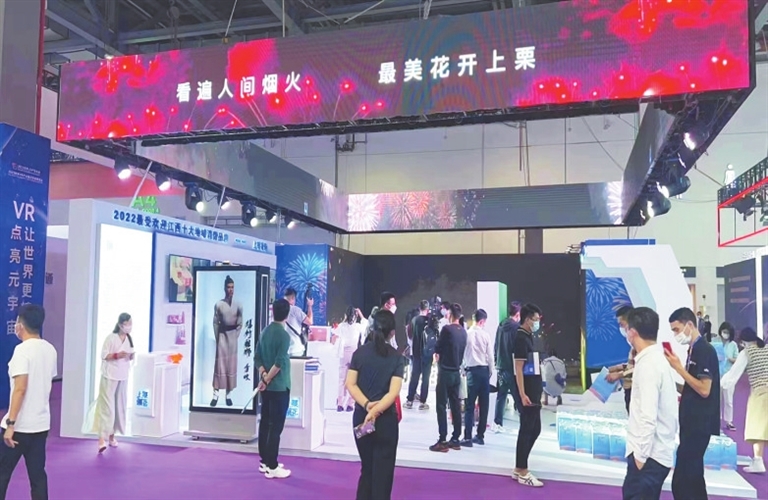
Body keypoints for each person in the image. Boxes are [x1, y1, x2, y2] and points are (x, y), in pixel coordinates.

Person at [345, 309, 405, 500]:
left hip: (361, 418)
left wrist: (367, 406)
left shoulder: (359, 354)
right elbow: (393, 392)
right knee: (383, 473)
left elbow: (350, 384)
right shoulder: (396, 357)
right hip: (385, 420)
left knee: (367, 468)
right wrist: (376, 410)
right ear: (392, 333)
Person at [0, 304, 57, 500]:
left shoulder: (22, 350)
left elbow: (20, 388)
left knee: (2, 473)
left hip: (19, 427)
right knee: (38, 476)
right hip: (40, 425)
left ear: (20, 325)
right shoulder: (50, 349)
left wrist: (11, 424)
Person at [621, 307, 678, 500]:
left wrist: (640, 457)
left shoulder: (648, 365)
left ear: (632, 332)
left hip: (649, 456)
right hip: (655, 454)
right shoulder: (655, 359)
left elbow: (648, 416)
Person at [667, 307, 720, 500]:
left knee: (685, 478)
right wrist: (669, 382)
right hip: (690, 423)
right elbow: (691, 387)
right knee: (691, 476)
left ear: (689, 324)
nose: (676, 335)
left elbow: (704, 389)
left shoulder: (704, 350)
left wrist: (679, 369)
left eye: (676, 329)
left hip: (699, 423)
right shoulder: (693, 350)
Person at [721, 327, 768, 474]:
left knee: (757, 428)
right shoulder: (766, 349)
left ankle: (758, 461)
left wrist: (720, 384)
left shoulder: (747, 352)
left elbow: (733, 375)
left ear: (743, 341)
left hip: (760, 393)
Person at [255, 298, 293, 479]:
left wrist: (263, 376)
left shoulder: (265, 331)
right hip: (279, 387)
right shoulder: (284, 336)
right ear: (287, 314)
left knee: (265, 423)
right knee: (276, 427)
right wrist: (268, 378)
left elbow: (257, 358)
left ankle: (264, 461)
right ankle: (272, 465)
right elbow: (279, 363)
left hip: (267, 387)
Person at [513, 303, 544, 487]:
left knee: (535, 428)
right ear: (527, 319)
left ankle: (519, 466)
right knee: (527, 429)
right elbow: (518, 368)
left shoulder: (528, 336)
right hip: (528, 392)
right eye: (535, 319)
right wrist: (522, 394)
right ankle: (522, 470)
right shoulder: (520, 338)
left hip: (534, 388)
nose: (537, 322)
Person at [94, 313, 135, 453]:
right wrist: (118, 355)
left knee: (118, 406)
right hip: (110, 375)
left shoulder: (129, 339)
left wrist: (130, 356)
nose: (129, 326)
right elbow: (104, 355)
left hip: (122, 376)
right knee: (107, 406)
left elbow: (130, 356)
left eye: (130, 323)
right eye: (127, 324)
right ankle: (101, 439)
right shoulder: (111, 338)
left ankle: (112, 436)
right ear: (120, 325)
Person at [429, 303, 467, 452]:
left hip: (445, 371)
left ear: (450, 314)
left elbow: (438, 347)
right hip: (456, 372)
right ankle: (456, 438)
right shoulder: (463, 332)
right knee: (455, 405)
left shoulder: (446, 329)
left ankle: (443, 440)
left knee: (441, 406)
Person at [461, 309, 494, 447]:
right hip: (484, 372)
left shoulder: (466, 334)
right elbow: (490, 356)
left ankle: (467, 437)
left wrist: (463, 369)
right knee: (484, 406)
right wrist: (490, 371)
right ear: (482, 321)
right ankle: (480, 436)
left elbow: (462, 355)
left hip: (471, 372)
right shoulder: (486, 335)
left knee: (469, 406)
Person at [210, 276, 243, 407]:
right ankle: (215, 394)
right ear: (225, 288)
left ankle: (228, 395)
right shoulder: (219, 304)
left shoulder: (238, 305)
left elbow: (240, 323)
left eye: (232, 287)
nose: (230, 290)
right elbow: (215, 322)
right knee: (220, 365)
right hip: (222, 336)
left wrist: (235, 336)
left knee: (231, 365)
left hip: (233, 337)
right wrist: (218, 337)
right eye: (228, 287)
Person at [493, 302, 521, 433]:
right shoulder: (516, 328)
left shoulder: (500, 326)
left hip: (501, 367)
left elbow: (496, 345)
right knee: (518, 396)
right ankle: (525, 423)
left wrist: (496, 361)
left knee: (501, 396)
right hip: (512, 368)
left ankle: (497, 423)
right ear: (518, 314)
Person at [333, 306, 367, 412]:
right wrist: (360, 313)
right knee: (353, 380)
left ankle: (340, 403)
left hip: (343, 354)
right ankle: (350, 404)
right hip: (354, 354)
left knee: (342, 379)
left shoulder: (342, 326)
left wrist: (344, 319)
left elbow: (335, 332)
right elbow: (366, 323)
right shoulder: (357, 326)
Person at [607, 306, 636, 414]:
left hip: (635, 389)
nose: (621, 328)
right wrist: (616, 368)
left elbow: (640, 368)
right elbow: (632, 366)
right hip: (629, 388)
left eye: (621, 324)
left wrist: (619, 375)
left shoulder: (640, 345)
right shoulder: (633, 346)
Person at [405, 300, 433, 410]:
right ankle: (423, 402)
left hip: (416, 352)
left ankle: (409, 401)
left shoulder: (414, 320)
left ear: (419, 308)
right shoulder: (430, 321)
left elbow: (410, 336)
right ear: (427, 309)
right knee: (425, 378)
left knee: (414, 377)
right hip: (427, 354)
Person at [718, 322, 739, 431]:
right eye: (724, 331)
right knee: (717, 398)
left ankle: (729, 421)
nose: (725, 334)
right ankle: (716, 419)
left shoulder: (733, 345)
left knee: (728, 399)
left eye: (727, 332)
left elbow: (738, 360)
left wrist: (730, 359)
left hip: (729, 374)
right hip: (717, 373)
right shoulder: (716, 342)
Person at [284, 287, 314, 357]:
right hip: (296, 349)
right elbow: (310, 321)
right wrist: (310, 306)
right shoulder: (295, 310)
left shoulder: (278, 309)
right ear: (292, 298)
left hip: (283, 350)